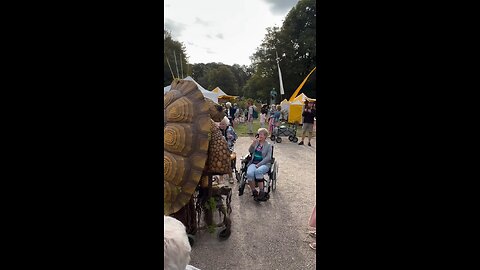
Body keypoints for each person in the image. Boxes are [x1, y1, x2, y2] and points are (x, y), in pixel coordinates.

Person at [245, 128, 272, 201]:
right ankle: (254, 191)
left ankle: (262, 192)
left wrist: (259, 164)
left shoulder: (268, 145)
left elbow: (268, 157)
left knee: (258, 171)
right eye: (259, 134)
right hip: (253, 163)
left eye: (261, 134)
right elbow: (250, 151)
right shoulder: (256, 143)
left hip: (264, 164)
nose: (260, 135)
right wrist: (253, 144)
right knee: (249, 173)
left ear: (265, 136)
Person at [218, 116, 238, 184]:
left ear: (227, 124)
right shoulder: (217, 130)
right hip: (219, 148)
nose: (221, 126)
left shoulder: (230, 129)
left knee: (226, 158)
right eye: (220, 124)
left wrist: (231, 137)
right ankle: (221, 177)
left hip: (229, 148)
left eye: (223, 124)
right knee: (219, 159)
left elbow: (236, 137)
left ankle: (230, 176)